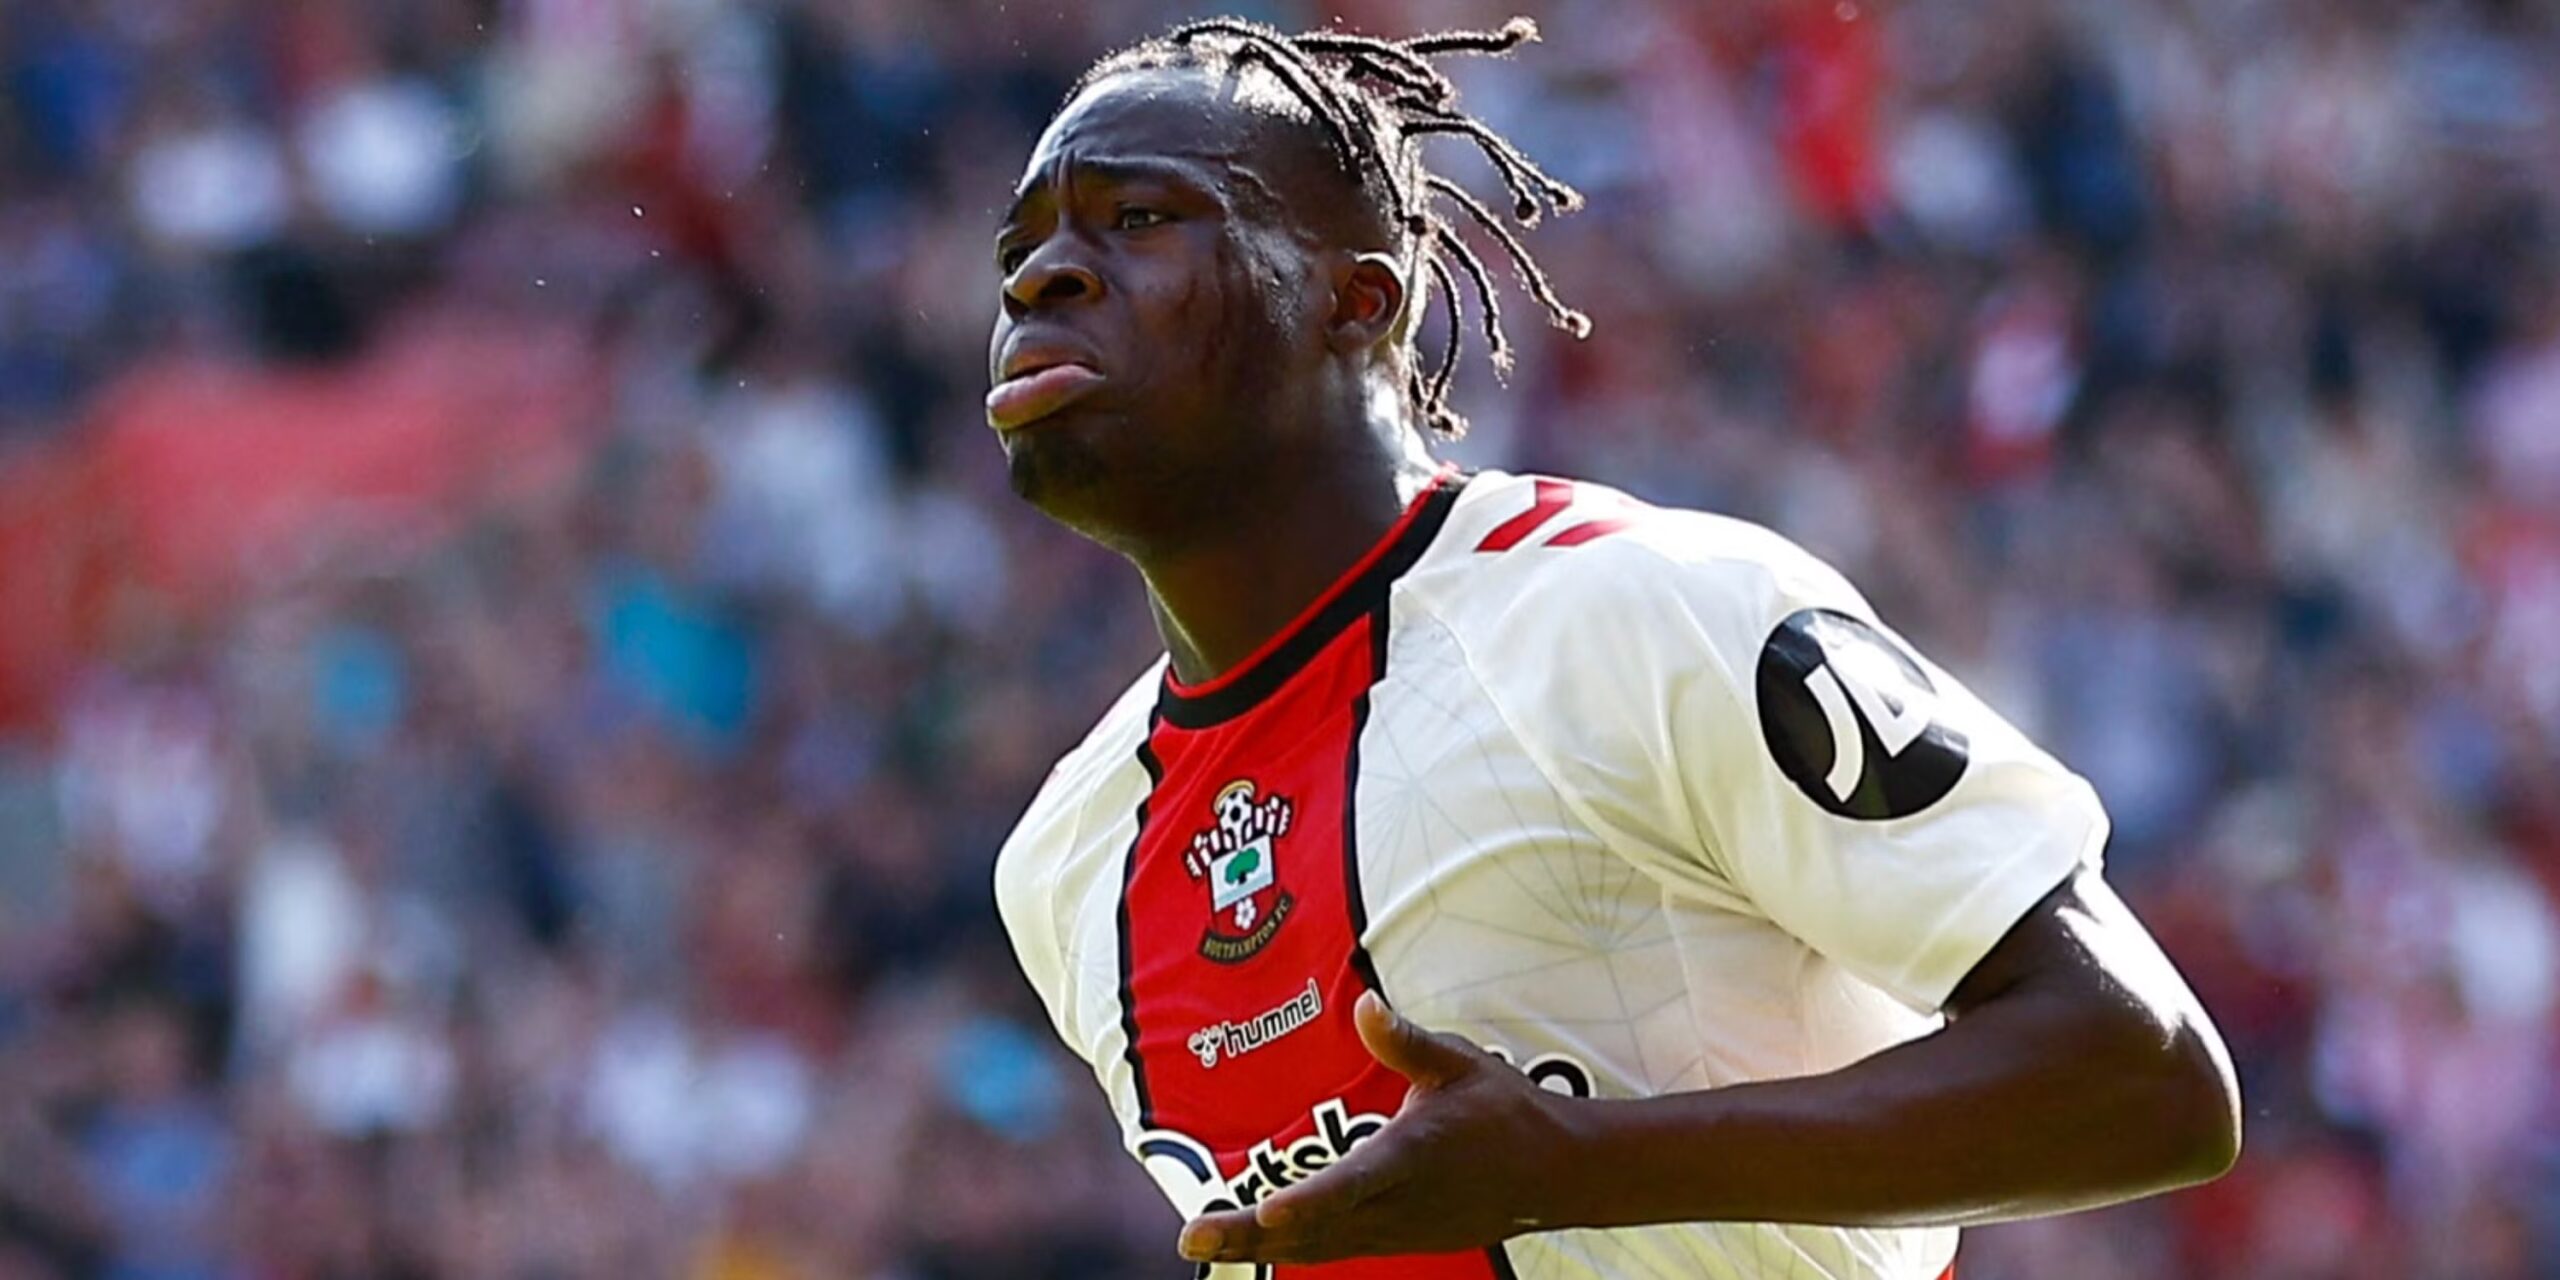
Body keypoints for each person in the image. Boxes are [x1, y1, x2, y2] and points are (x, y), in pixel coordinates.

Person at [986, 17, 2240, 1279]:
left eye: (1136, 218)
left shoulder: (1639, 610)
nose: (1042, 276)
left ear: (1355, 301)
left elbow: (2147, 1074)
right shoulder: (1067, 859)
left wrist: (1576, 1166)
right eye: (1018, 247)